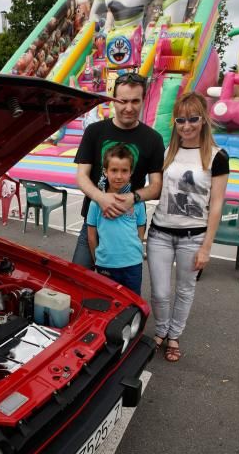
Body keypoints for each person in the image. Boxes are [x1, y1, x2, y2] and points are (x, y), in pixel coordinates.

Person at [147, 91, 229, 362]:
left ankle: (173, 335)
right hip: (160, 232)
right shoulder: (167, 151)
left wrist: (207, 247)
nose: (187, 126)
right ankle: (160, 329)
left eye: (193, 119)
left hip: (193, 237)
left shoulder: (217, 156)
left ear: (204, 119)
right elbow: (156, 189)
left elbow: (216, 205)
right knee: (159, 291)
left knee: (184, 290)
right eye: (181, 120)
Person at [72, 72, 164, 269]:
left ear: (143, 100)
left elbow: (156, 187)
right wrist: (101, 198)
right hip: (95, 223)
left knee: (122, 291)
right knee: (80, 282)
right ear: (114, 100)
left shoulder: (153, 139)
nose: (129, 108)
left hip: (129, 226)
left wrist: (133, 197)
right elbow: (81, 176)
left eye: (135, 101)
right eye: (122, 101)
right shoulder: (94, 132)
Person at [87, 144, 147, 295]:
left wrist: (136, 252)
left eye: (124, 171)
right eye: (114, 170)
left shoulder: (137, 202)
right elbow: (91, 236)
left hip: (133, 264)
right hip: (106, 264)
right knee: (108, 303)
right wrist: (98, 260)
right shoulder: (96, 203)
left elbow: (140, 230)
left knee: (132, 303)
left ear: (131, 172)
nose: (119, 176)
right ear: (105, 171)